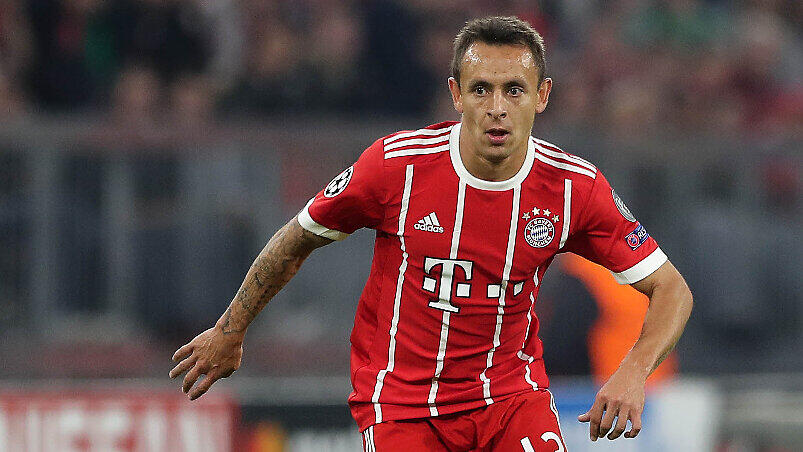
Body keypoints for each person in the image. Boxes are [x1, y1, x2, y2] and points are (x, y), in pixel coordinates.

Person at [169, 16, 693, 451]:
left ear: (542, 95)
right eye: (481, 89)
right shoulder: (396, 167)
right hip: (403, 405)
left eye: (514, 90)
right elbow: (297, 238)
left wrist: (633, 372)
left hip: (510, 399)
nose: (497, 107)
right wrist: (231, 330)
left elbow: (672, 290)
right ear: (456, 95)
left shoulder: (574, 187)